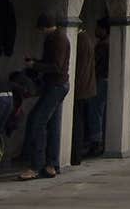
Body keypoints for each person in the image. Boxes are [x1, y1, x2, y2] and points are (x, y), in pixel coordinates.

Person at [18, 12, 70, 181]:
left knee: (37, 121)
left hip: (55, 86)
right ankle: (51, 165)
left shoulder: (57, 39)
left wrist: (35, 65)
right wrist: (36, 62)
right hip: (57, 85)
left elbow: (56, 66)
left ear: (44, 27)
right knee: (53, 125)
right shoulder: (57, 38)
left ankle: (36, 165)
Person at [71, 23, 97, 165]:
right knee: (80, 121)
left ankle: (75, 155)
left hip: (80, 89)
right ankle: (76, 154)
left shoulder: (80, 41)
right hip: (86, 88)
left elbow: (79, 68)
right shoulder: (87, 39)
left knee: (77, 122)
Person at [87, 18, 109, 156]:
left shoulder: (103, 46)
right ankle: (99, 140)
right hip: (105, 79)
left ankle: (96, 141)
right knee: (100, 111)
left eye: (98, 28)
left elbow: (95, 64)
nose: (95, 31)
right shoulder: (106, 44)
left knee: (95, 110)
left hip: (101, 80)